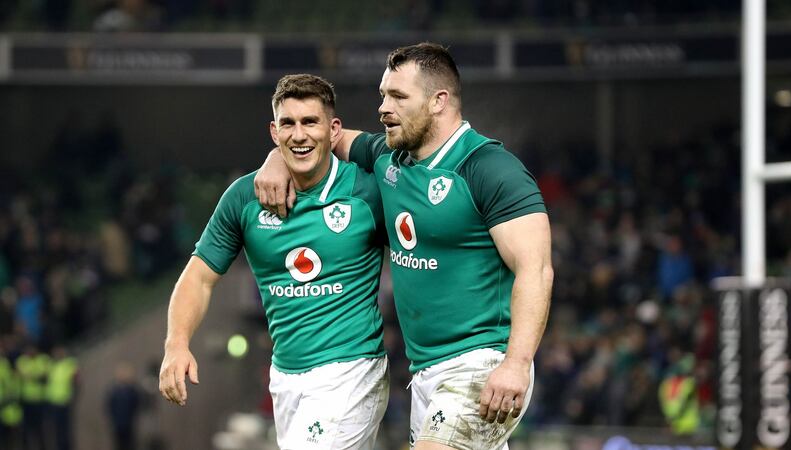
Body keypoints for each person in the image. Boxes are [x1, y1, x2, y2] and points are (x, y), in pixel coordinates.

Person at [255, 43, 553, 450]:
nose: (383, 108)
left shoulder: (490, 169)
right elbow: (321, 139)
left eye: (398, 96)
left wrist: (516, 363)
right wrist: (276, 158)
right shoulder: (389, 158)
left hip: (483, 363)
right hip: (425, 372)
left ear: (438, 101)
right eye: (383, 95)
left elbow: (536, 270)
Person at [159, 74, 389, 449]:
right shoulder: (244, 198)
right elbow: (198, 277)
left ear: (334, 130)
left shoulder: (367, 190)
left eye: (310, 122)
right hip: (285, 377)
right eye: (288, 123)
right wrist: (176, 344)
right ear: (274, 131)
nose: (299, 135)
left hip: (351, 368)